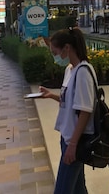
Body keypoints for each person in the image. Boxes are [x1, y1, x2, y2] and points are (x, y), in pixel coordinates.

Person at [37, 29, 95, 193]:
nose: (55, 57)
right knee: (78, 189)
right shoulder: (70, 70)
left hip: (75, 141)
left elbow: (85, 111)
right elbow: (70, 102)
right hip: (67, 137)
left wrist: (73, 145)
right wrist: (51, 96)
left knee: (62, 190)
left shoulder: (83, 72)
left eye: (55, 52)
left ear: (67, 48)